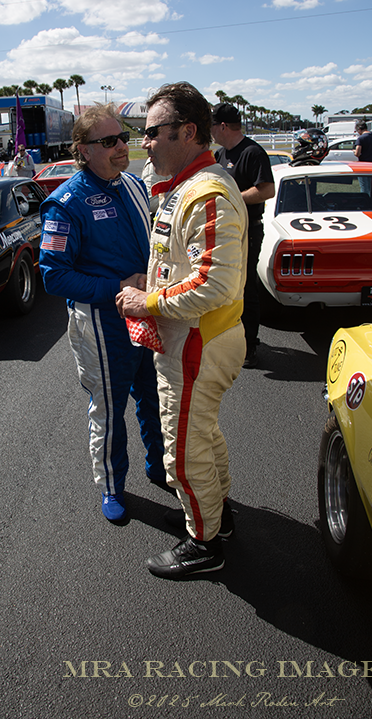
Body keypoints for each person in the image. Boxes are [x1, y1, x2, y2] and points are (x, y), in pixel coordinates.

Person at [116, 82, 248, 579]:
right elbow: (178, 263)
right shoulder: (183, 186)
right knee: (203, 435)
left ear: (188, 131)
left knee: (182, 451)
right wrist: (146, 282)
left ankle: (204, 543)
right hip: (190, 338)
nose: (142, 143)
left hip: (198, 342)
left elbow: (213, 285)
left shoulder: (207, 191)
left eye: (152, 132)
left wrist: (143, 300)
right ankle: (216, 517)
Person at [39, 103, 166, 522]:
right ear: (83, 149)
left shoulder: (132, 184)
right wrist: (118, 287)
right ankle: (111, 485)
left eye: (122, 138)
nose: (120, 147)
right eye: (108, 141)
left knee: (155, 395)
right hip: (102, 326)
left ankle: (159, 465)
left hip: (147, 315)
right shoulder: (65, 204)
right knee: (109, 410)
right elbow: (53, 277)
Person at [211, 103, 274, 368]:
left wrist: (230, 198)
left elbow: (266, 190)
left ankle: (250, 345)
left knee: (246, 286)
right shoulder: (219, 154)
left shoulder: (252, 152)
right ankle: (230, 335)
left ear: (223, 126)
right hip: (225, 229)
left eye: (212, 126)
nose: (210, 131)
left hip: (247, 229)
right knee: (225, 284)